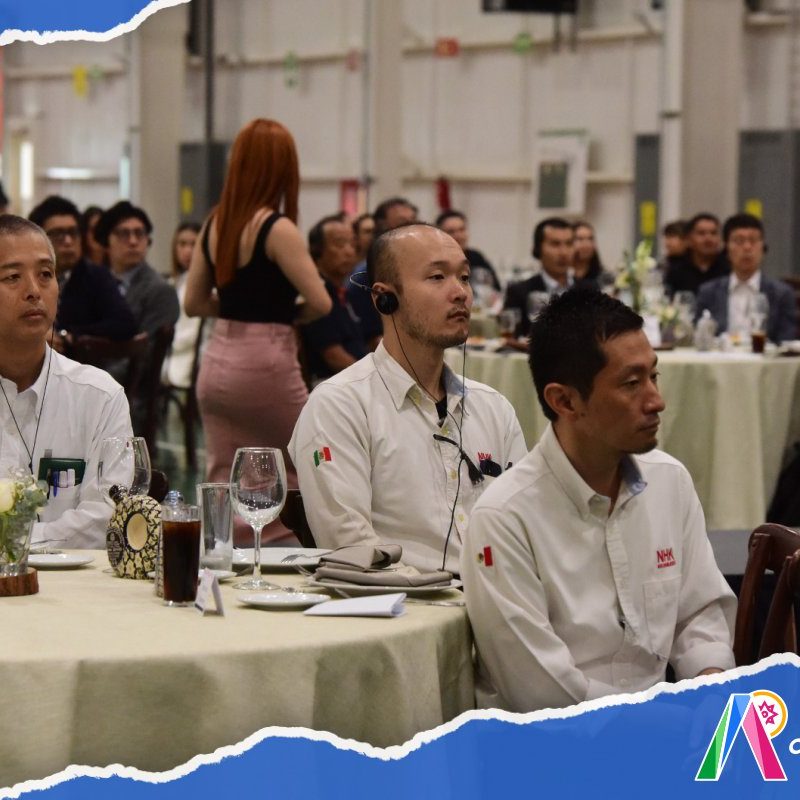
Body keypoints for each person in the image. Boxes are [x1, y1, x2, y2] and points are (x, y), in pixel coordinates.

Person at [461, 289, 736, 712]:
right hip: (556, 741)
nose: (656, 401)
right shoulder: (505, 517)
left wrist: (709, 688)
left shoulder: (669, 481)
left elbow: (698, 614)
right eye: (631, 384)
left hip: (663, 725)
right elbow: (541, 692)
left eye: (654, 376)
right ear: (565, 401)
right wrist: (666, 722)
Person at [289, 223, 526, 573]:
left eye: (463, 277)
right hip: (403, 599)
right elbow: (351, 545)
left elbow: (524, 529)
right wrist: (443, 594)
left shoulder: (494, 408)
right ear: (384, 298)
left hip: (491, 597)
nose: (460, 292)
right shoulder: (340, 406)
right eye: (437, 277)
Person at [184, 118, 331, 544]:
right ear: (282, 169)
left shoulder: (215, 224)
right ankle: (284, 550)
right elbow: (320, 302)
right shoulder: (278, 229)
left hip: (217, 362)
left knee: (223, 470)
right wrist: (283, 315)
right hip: (266, 364)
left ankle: (224, 549)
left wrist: (237, 310)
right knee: (297, 461)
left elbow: (193, 303)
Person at [0, 215, 132, 548]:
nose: (34, 291)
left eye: (46, 274)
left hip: (79, 580)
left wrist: (15, 543)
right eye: (13, 277)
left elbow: (108, 516)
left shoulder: (100, 396)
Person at [28, 195, 137, 353]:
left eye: (73, 233)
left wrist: (67, 335)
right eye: (58, 234)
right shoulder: (24, 277)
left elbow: (125, 324)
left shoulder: (96, 276)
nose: (68, 241)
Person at [695, 213, 797, 344]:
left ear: (763, 248)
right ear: (726, 249)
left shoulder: (781, 294)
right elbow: (700, 338)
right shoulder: (708, 292)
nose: (747, 247)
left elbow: (786, 342)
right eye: (739, 241)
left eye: (753, 241)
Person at [94, 201, 180, 337]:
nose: (133, 241)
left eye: (139, 233)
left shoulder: (160, 290)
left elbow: (149, 348)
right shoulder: (95, 283)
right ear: (106, 242)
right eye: (124, 234)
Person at [302, 214, 367, 384]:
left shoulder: (343, 291)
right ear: (317, 251)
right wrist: (372, 380)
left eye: (353, 244)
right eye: (340, 244)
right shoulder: (317, 294)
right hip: (331, 383)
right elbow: (334, 357)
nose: (349, 251)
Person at [503, 217, 574, 337]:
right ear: (538, 249)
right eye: (555, 244)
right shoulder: (519, 292)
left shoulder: (589, 289)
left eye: (569, 244)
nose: (563, 252)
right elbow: (511, 337)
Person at [162, 221, 202, 389]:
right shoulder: (171, 283)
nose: (187, 251)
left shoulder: (206, 287)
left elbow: (191, 334)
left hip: (189, 360)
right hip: (166, 357)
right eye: (182, 244)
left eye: (194, 244)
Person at [664, 213, 729, 296]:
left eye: (713, 233)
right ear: (689, 239)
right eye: (701, 233)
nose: (708, 238)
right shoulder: (676, 270)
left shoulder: (729, 268)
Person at [436, 209, 501, 291]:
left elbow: (496, 289)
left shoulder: (476, 257)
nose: (458, 236)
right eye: (451, 231)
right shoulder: (435, 261)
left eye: (461, 230)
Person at [571, 220, 609, 289]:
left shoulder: (605, 278)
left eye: (590, 239)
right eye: (580, 239)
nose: (587, 244)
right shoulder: (563, 277)